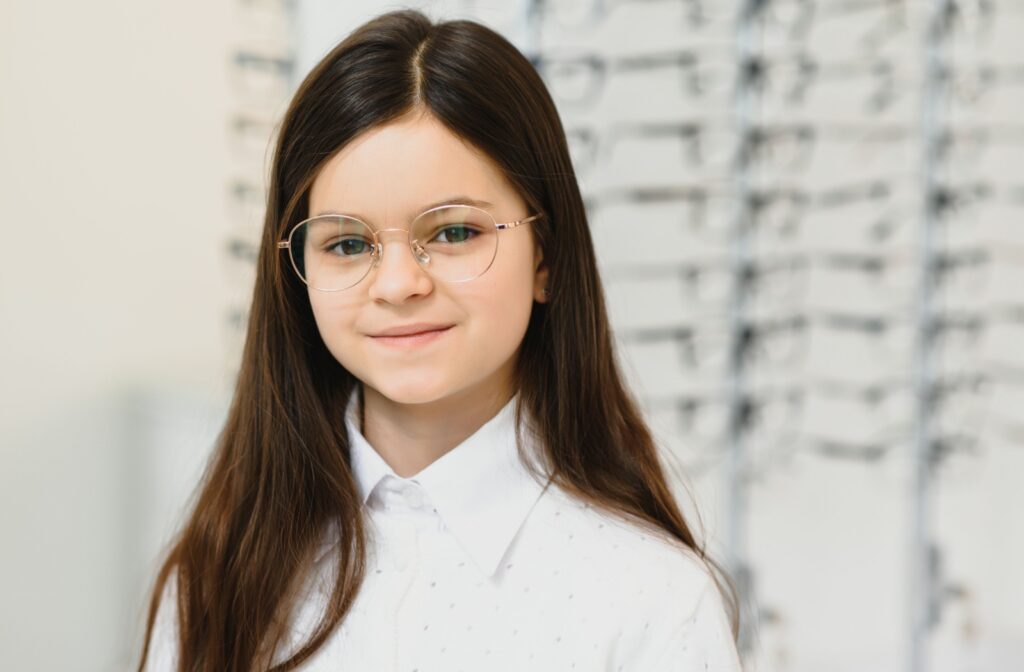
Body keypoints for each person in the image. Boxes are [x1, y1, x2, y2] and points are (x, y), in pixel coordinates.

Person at [136, 8, 743, 671]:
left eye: (454, 232)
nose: (398, 284)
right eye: (346, 243)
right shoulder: (219, 577)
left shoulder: (652, 604)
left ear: (547, 256)